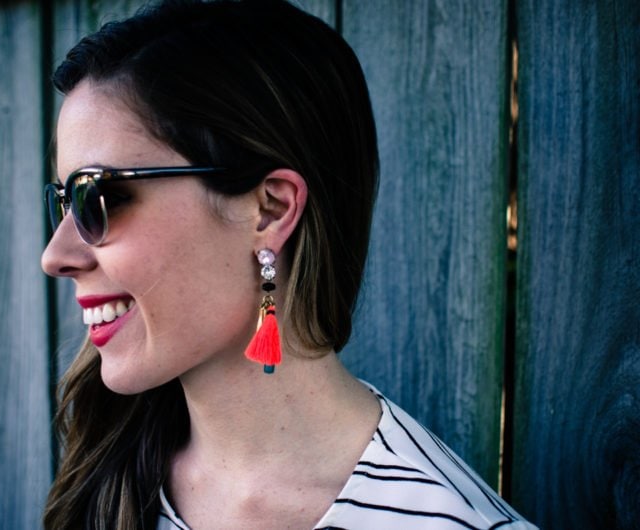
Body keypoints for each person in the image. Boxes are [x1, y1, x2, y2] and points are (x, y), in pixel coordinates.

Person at [41, 1, 537, 529]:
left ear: (270, 208)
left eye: (97, 197)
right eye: (64, 201)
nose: (55, 256)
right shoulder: (106, 480)